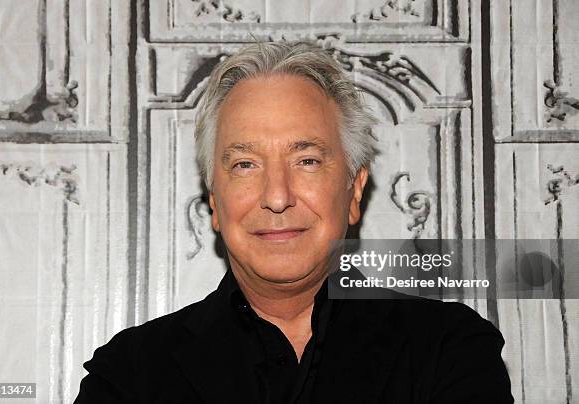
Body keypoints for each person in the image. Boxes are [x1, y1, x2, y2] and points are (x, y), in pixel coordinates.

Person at [74, 41, 513, 403]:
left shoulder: (450, 351)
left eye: (306, 160)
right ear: (214, 196)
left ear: (354, 191)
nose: (277, 196)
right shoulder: (129, 376)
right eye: (245, 164)